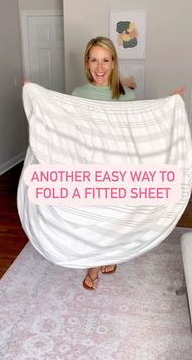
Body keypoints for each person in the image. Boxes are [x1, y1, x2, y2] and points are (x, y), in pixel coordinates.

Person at [72, 36, 185, 290]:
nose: (99, 67)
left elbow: (142, 126)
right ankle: (93, 265)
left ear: (113, 63)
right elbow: (72, 131)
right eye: (94, 60)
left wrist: (169, 105)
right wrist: (37, 98)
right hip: (91, 167)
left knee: (113, 218)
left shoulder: (127, 96)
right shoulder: (78, 94)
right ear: (87, 64)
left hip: (119, 167)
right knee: (93, 220)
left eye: (105, 60)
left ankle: (110, 254)